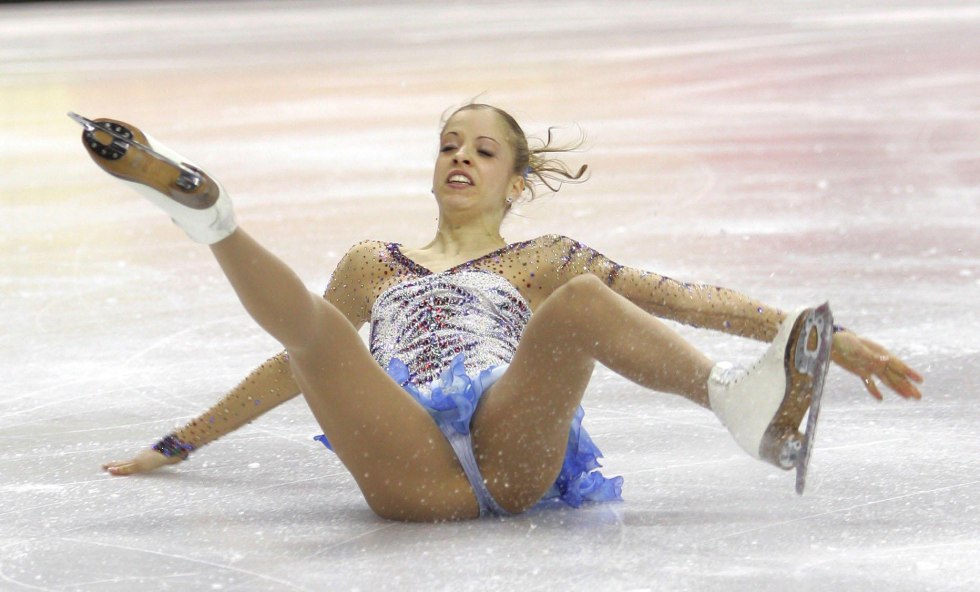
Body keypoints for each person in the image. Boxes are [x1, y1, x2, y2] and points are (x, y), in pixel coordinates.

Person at [74, 104, 923, 522]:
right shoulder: (375, 264)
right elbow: (288, 366)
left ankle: (739, 403)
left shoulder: (542, 258)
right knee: (315, 334)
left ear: (515, 183)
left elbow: (680, 297)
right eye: (447, 144)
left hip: (515, 454)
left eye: (482, 150)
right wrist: (180, 441)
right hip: (407, 465)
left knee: (586, 300)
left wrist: (828, 339)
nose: (459, 158)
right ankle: (209, 215)